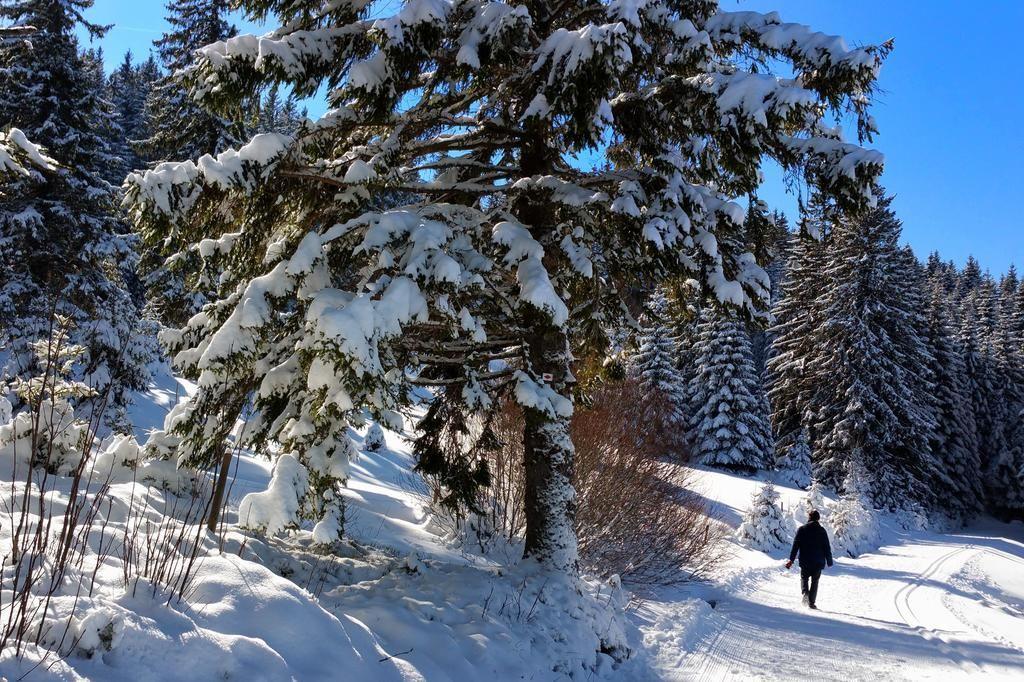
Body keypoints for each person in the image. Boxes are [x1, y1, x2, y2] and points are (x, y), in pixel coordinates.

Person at [785, 509, 833, 609]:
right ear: (818, 519)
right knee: (815, 581)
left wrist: (791, 560)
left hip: (805, 560)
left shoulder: (802, 529)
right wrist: (829, 560)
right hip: (818, 561)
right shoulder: (822, 531)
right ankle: (811, 603)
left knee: (804, 578)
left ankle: (805, 593)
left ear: (809, 518)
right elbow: (826, 547)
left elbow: (795, 546)